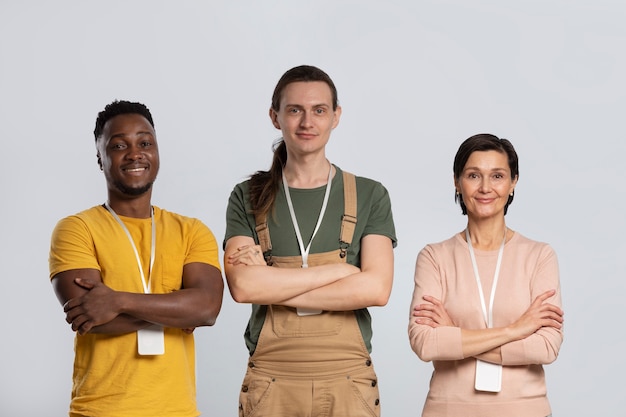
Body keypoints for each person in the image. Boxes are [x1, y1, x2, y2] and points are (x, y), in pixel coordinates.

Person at [223, 65, 397, 417]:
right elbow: (242, 287)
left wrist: (271, 283)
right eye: (294, 110)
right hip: (271, 383)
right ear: (275, 117)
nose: (307, 122)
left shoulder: (370, 194)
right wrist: (342, 271)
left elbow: (377, 289)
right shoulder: (247, 196)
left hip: (348, 381)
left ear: (336, 116)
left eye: (319, 110)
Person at [49, 100, 224, 417]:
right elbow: (90, 318)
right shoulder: (76, 229)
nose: (134, 153)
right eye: (118, 145)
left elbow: (207, 309)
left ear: (157, 153)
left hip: (178, 411)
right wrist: (178, 309)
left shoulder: (192, 231)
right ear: (101, 159)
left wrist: (118, 301)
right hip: (100, 410)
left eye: (145, 143)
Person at [408, 133, 564, 417]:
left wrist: (455, 336)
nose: (484, 188)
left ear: (513, 182)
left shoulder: (540, 256)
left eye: (497, 176)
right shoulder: (434, 257)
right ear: (457, 181)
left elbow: (546, 347)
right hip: (447, 410)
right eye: (473, 175)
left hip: (525, 410)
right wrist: (514, 330)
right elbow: (425, 343)